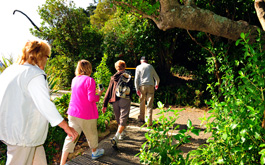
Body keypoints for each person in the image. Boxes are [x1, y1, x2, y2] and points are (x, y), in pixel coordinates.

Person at [0, 40, 78, 165]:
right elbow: (45, 104)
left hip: (14, 132)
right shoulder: (34, 74)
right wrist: (65, 126)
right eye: (47, 57)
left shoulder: (10, 71)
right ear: (40, 56)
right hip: (24, 135)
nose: (47, 60)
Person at [60, 60, 105, 164]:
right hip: (86, 114)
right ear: (89, 68)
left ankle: (62, 163)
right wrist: (99, 94)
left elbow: (80, 94)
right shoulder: (90, 80)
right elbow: (91, 98)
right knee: (92, 134)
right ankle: (95, 153)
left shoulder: (74, 79)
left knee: (71, 137)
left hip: (73, 112)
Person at [102, 60, 133, 149]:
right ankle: (117, 136)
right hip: (125, 99)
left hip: (114, 99)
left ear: (116, 68)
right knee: (123, 118)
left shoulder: (113, 78)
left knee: (118, 117)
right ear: (125, 67)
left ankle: (122, 133)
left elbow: (108, 91)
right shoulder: (128, 76)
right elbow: (132, 88)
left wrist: (105, 104)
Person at [134, 56, 160, 127]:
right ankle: (149, 122)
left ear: (141, 61)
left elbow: (136, 79)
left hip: (142, 86)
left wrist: (137, 89)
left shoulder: (138, 67)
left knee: (142, 102)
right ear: (147, 61)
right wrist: (156, 84)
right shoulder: (150, 67)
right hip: (151, 86)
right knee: (149, 104)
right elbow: (157, 78)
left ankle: (141, 118)